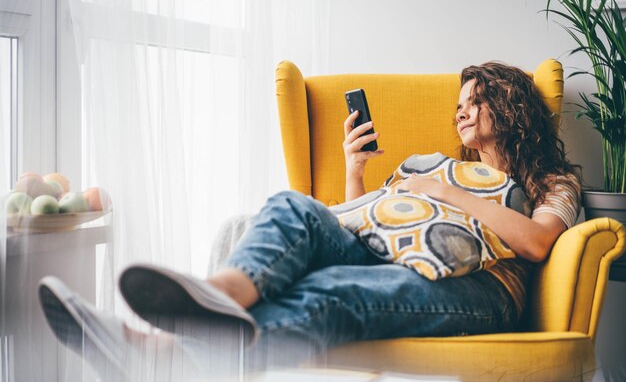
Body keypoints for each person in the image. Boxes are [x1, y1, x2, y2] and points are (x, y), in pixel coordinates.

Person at [39, 61, 581, 380]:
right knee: (292, 206)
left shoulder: (552, 181)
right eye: (458, 104)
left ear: (508, 107)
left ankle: (157, 355)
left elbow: (536, 243)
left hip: (481, 290)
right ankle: (221, 294)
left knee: (332, 291)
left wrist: (438, 190)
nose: (460, 111)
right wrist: (355, 168)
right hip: (395, 254)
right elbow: (368, 219)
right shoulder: (442, 167)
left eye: (475, 101)